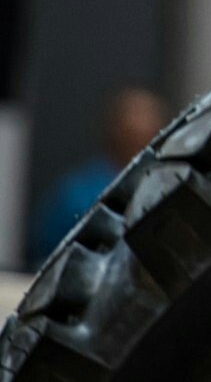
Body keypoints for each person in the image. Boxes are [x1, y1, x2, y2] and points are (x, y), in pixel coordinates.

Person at [26, 86, 167, 269]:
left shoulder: (168, 186)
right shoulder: (76, 195)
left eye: (147, 135)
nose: (138, 144)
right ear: (114, 133)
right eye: (131, 135)